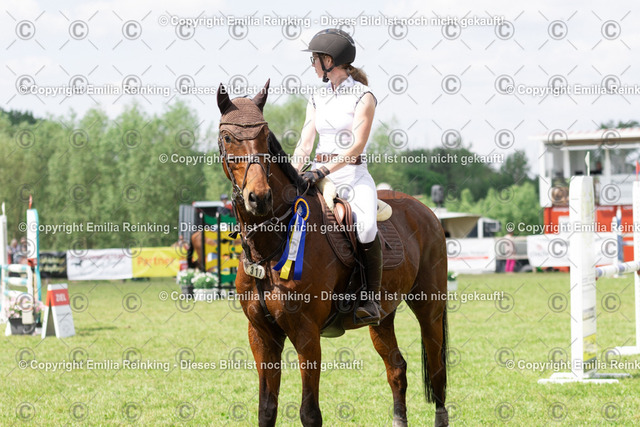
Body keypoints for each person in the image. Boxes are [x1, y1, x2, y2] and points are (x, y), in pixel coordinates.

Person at [292, 28, 381, 325]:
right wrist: (292, 172)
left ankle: (369, 298)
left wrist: (324, 169)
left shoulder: (364, 96)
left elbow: (356, 145)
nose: (312, 65)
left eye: (314, 59)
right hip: (317, 174)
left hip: (352, 175)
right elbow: (305, 143)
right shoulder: (317, 96)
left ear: (329, 60)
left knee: (366, 228)